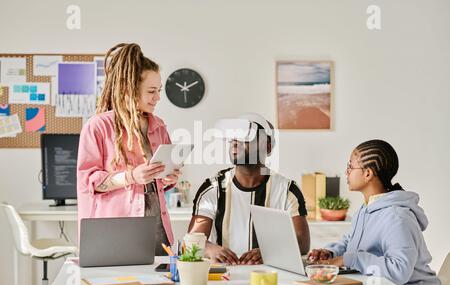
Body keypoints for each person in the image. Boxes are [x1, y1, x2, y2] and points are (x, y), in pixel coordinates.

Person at [77, 43, 180, 255]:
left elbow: (158, 180)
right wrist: (131, 176)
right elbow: (89, 183)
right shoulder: (99, 126)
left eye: (159, 91)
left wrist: (169, 178)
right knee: (120, 284)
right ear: (129, 89)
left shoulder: (158, 126)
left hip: (158, 230)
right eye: (151, 91)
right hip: (117, 232)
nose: (157, 97)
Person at [308, 139, 441, 285]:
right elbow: (350, 242)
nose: (346, 172)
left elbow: (399, 270)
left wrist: (349, 259)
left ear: (368, 174)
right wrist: (330, 253)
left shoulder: (397, 217)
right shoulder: (366, 209)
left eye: (350, 166)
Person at [188, 113, 310, 265]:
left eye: (245, 137)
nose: (235, 143)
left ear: (267, 146)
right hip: (226, 279)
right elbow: (191, 242)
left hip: (271, 277)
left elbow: (303, 244)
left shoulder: (287, 190)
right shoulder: (212, 189)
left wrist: (270, 251)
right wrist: (209, 248)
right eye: (233, 138)